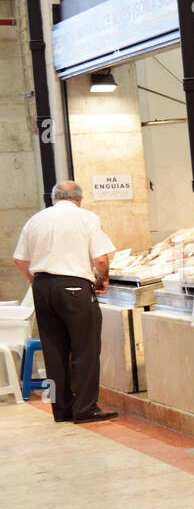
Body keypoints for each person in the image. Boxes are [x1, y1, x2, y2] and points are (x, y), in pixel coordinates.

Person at [12, 181, 117, 423]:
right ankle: (85, 409)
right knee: (85, 349)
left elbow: (19, 259)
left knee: (54, 351)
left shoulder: (36, 219)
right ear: (80, 199)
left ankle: (61, 410)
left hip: (42, 287)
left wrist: (34, 282)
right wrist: (103, 279)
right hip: (73, 287)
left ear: (53, 198)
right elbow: (100, 259)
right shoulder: (86, 217)